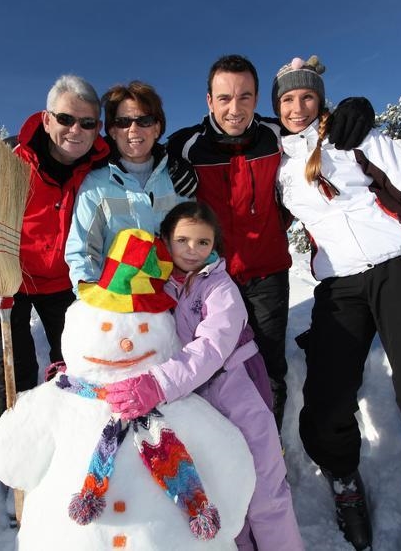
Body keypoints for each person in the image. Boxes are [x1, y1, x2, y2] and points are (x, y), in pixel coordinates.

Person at [274, 55, 401, 551]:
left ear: (320, 99)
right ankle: (344, 477)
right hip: (339, 283)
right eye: (287, 99)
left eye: (307, 96)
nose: (298, 107)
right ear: (277, 109)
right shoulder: (279, 163)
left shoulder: (356, 135)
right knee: (326, 402)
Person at [166, 54, 375, 432]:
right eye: (224, 98)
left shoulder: (277, 135)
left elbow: (321, 125)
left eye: (245, 97)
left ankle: (268, 444)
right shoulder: (184, 146)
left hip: (268, 276)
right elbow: (133, 151)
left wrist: (355, 107)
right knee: (209, 361)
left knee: (267, 364)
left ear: (258, 98)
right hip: (212, 277)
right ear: (209, 101)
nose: (235, 108)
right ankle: (218, 447)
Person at [104, 201, 304, 551]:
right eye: (183, 240)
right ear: (166, 240)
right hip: (190, 397)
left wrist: (158, 384)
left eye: (203, 242)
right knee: (222, 485)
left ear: (215, 246)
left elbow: (212, 347)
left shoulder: (219, 288)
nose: (192, 250)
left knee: (262, 485)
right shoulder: (160, 285)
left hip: (237, 385)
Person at [0, 74, 110, 421]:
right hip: (9, 278)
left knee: (78, 361)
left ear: (97, 129)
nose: (75, 130)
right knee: (13, 370)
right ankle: (13, 455)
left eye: (87, 122)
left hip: (66, 282)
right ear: (47, 119)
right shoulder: (7, 164)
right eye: (65, 118)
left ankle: (70, 433)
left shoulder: (101, 170)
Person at [65, 80, 195, 289]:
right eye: (123, 122)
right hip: (118, 303)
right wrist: (93, 297)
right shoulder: (95, 184)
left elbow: (195, 239)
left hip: (173, 301)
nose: (133, 129)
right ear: (113, 131)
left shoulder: (179, 180)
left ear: (157, 128)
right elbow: (82, 252)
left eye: (144, 120)